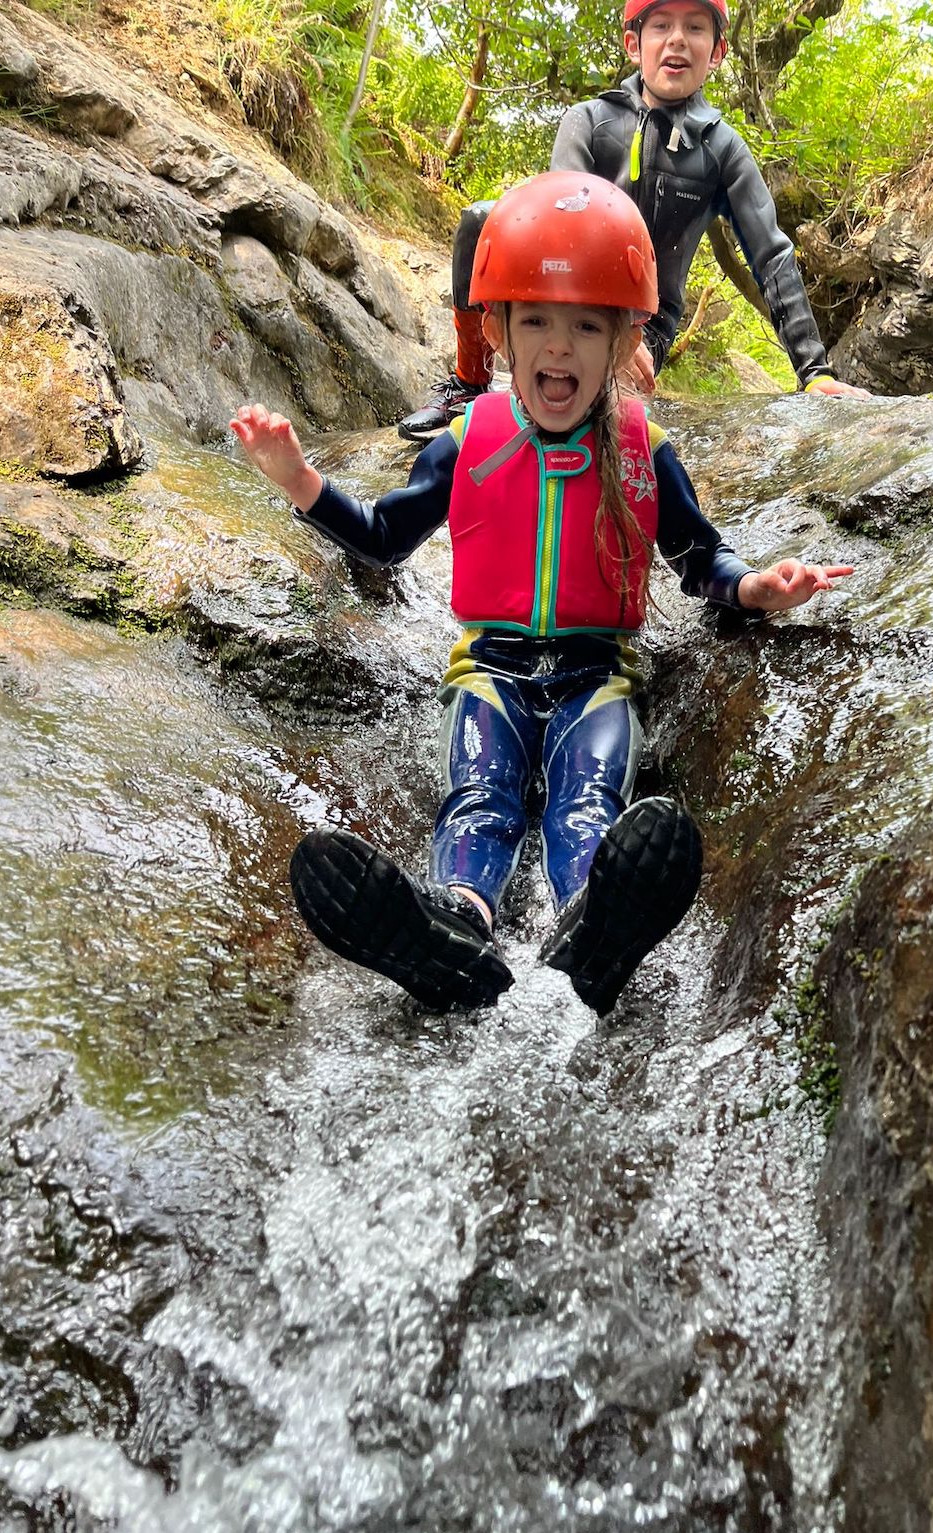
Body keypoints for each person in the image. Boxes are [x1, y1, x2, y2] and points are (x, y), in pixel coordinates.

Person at [231, 173, 852, 1016]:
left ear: (624, 341)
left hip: (598, 676)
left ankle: (590, 923)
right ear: (498, 332)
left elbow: (697, 556)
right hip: (490, 672)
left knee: (588, 799)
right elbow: (383, 537)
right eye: (537, 323)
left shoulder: (643, 449)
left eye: (586, 326)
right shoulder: (466, 440)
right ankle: (456, 924)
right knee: (481, 794)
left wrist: (755, 587)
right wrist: (298, 479)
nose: (559, 347)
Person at [398, 0, 867, 442]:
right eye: (661, 25)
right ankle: (468, 384)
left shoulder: (724, 150)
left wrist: (815, 373)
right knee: (480, 220)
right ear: (633, 44)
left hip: (646, 325)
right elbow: (559, 225)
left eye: (695, 27)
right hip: (557, 295)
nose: (677, 39)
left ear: (717, 51)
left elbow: (772, 255)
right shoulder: (588, 120)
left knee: (597, 407)